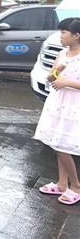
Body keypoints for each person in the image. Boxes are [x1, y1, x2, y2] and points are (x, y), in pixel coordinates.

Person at [34, 17, 80, 205]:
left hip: (73, 106)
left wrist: (67, 82)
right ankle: (62, 184)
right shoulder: (62, 54)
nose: (60, 36)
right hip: (57, 104)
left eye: (64, 33)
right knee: (57, 143)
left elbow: (66, 83)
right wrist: (56, 71)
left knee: (63, 146)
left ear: (77, 36)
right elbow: (51, 79)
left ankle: (76, 186)